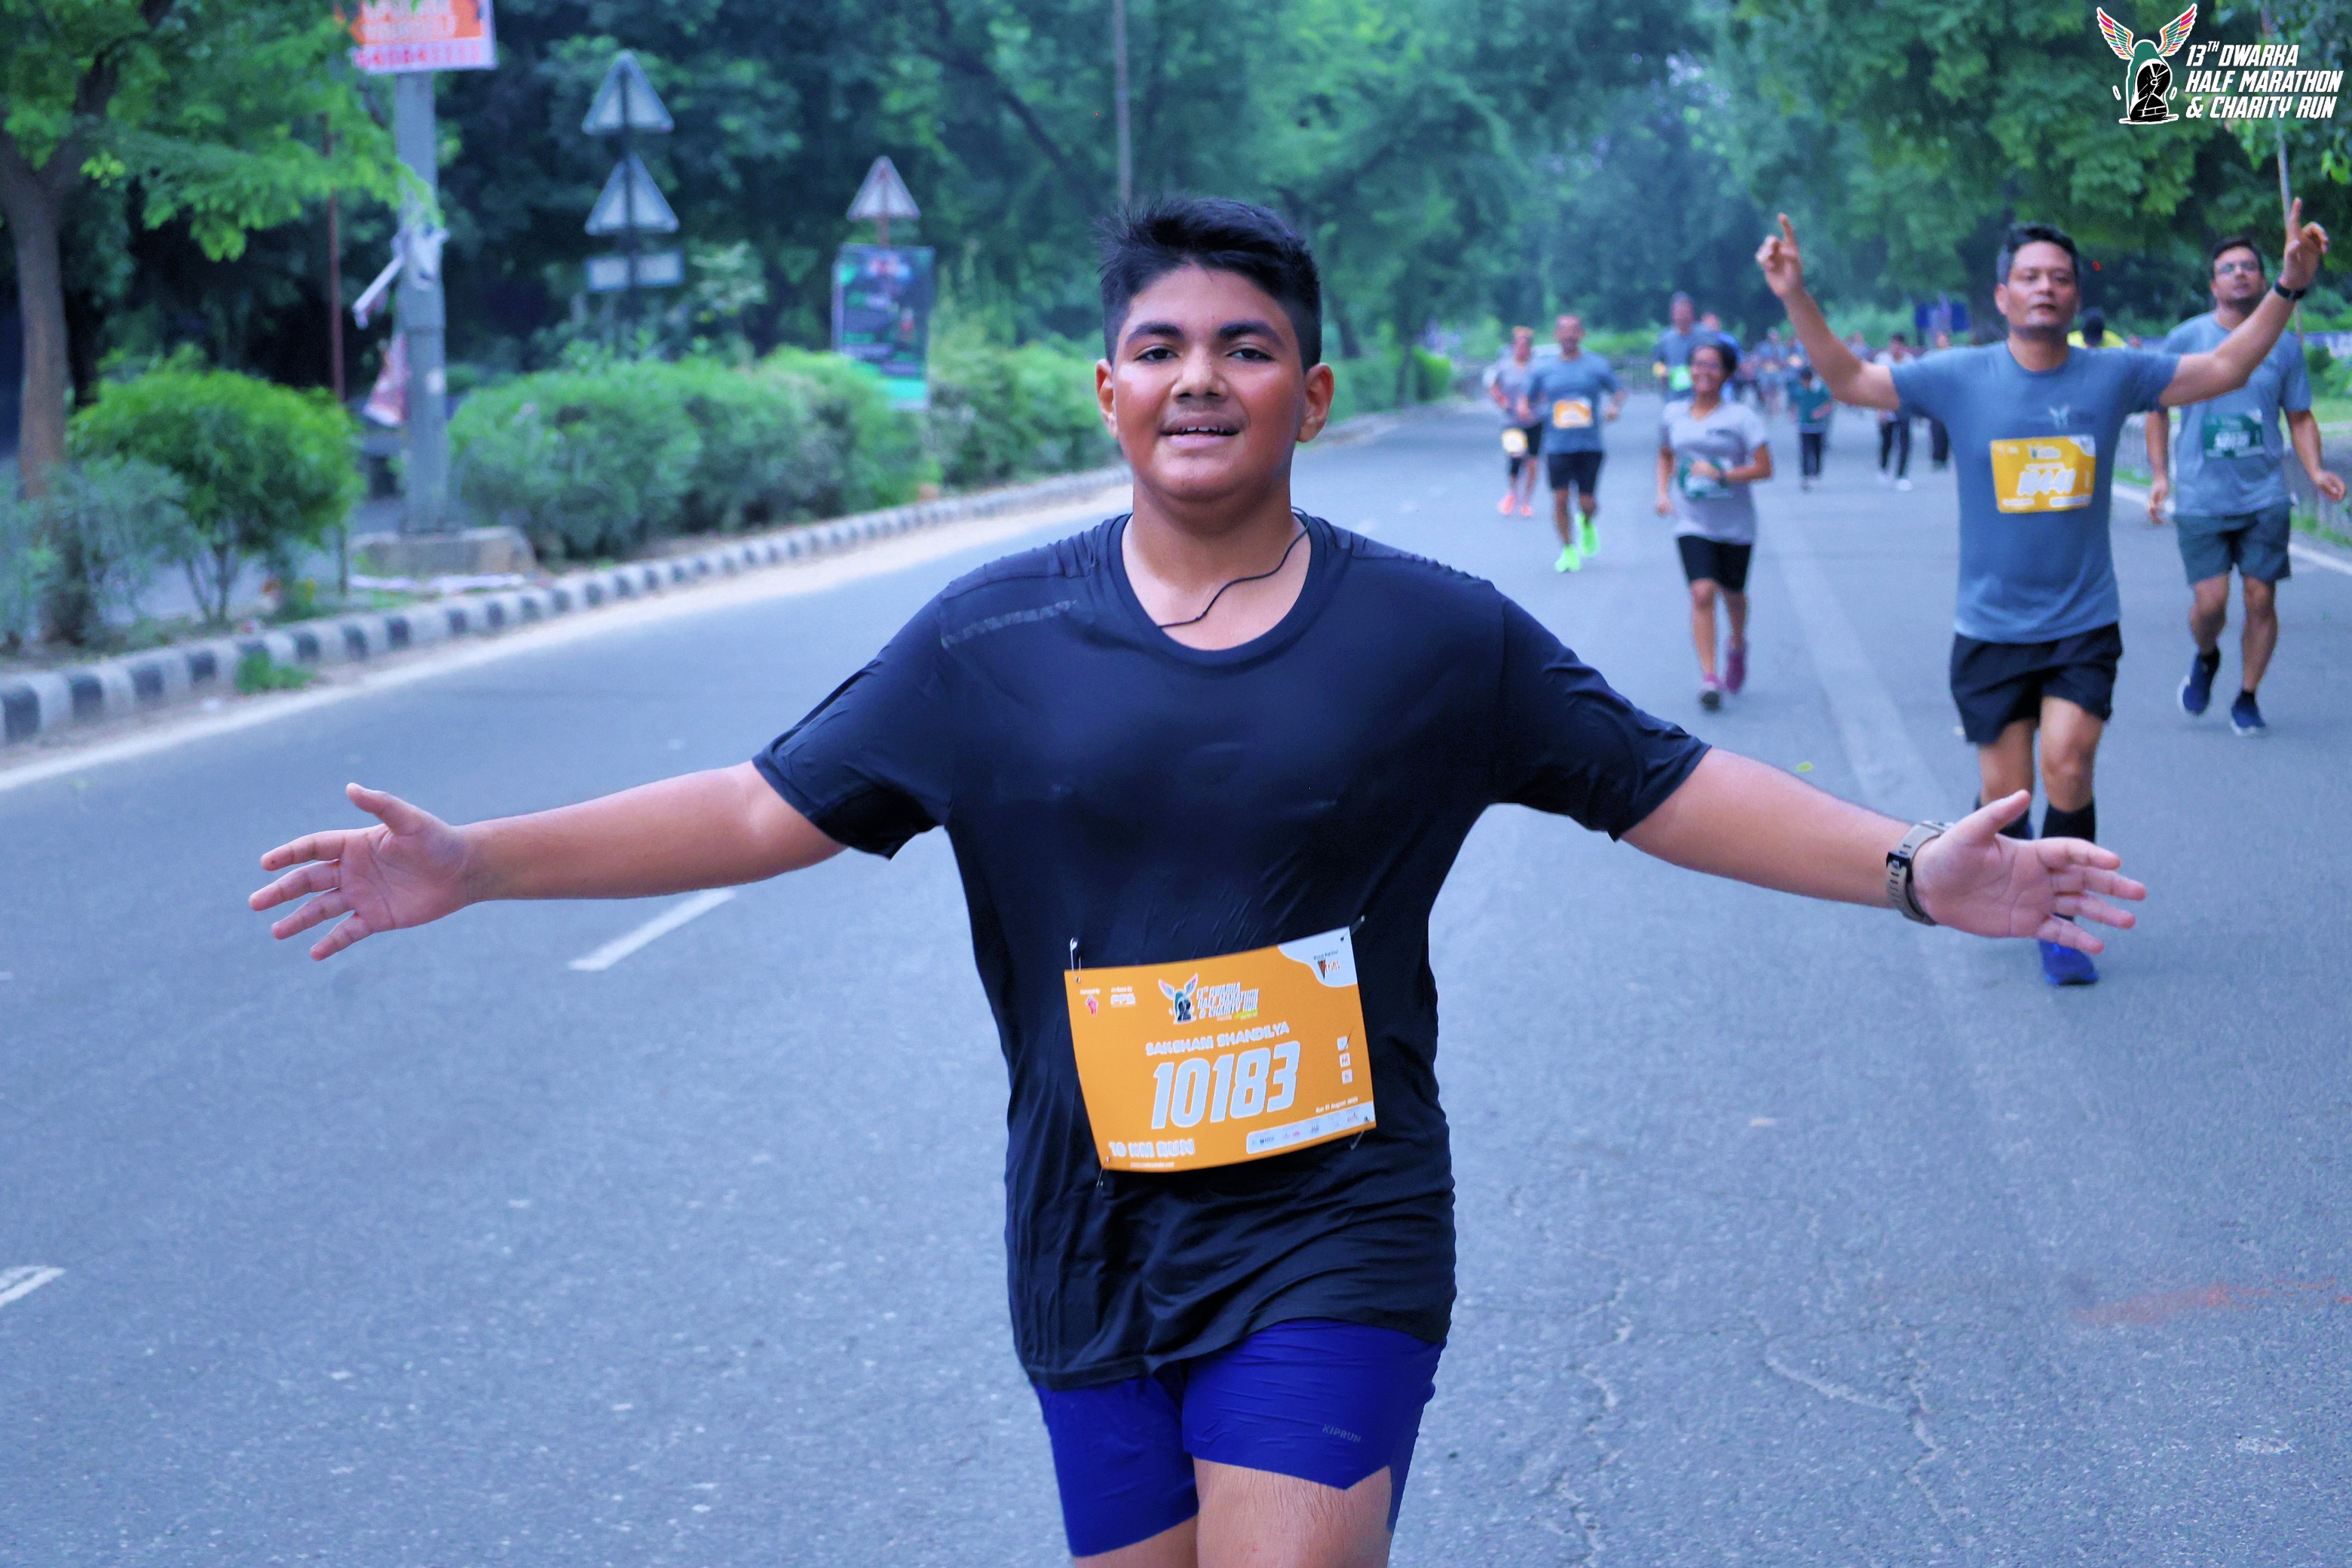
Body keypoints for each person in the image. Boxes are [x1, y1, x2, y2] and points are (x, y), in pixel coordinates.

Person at [253, 198, 2145, 1566]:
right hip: (1088, 1224)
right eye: (1160, 347)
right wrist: (476, 863)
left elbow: (1658, 783)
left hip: (1336, 1209)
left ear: (1309, 393)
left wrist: (1912, 870)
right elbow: (761, 810)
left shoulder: (1435, 638)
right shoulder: (991, 638)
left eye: (1244, 347)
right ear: (1106, 390)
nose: (1199, 377)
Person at [1759, 206, 2325, 986]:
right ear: (2003, 296)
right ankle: (2009, 868)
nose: (2046, 288)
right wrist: (1795, 294)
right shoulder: (1960, 376)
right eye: (2029, 277)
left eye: (2060, 277)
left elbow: (2226, 367)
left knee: (2069, 760)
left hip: (2082, 622)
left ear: (2075, 293)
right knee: (2007, 795)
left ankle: (2060, 919)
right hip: (1990, 629)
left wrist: (2288, 288)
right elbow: (1851, 380)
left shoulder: (2114, 375)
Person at [2146, 233, 2348, 736]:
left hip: (2264, 496)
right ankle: (2206, 656)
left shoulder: (2284, 347)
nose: (2239, 274)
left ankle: (2248, 695)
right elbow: (2156, 409)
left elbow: (2300, 416)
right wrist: (2160, 476)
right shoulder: (2185, 339)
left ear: (2263, 279)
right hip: (2201, 497)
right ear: (2213, 285)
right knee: (2210, 605)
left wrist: (2315, 470)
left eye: (2248, 267)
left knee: (2261, 599)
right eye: (2228, 268)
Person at [1657, 339, 1772, 709]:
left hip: (1735, 523)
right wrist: (1662, 492)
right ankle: (1710, 677)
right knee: (1702, 593)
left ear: (1726, 373)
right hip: (1692, 520)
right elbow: (1665, 455)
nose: (1703, 372)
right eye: (1697, 364)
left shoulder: (1741, 418)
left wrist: (1723, 474)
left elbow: (1765, 468)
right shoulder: (1673, 414)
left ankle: (1737, 645)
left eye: (1712, 365)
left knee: (1734, 596)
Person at [1521, 312, 1623, 571]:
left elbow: (1619, 390)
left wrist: (1614, 407)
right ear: (1556, 335)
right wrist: (1525, 410)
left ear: (1581, 334)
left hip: (1589, 444)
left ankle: (1587, 524)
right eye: (1564, 331)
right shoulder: (1545, 369)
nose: (1569, 335)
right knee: (1560, 499)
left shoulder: (1596, 365)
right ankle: (1568, 550)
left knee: (1587, 502)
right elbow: (1527, 397)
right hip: (1557, 445)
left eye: (1574, 330)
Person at [1484, 325, 1542, 518]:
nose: (1522, 350)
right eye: (1518, 346)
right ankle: (1512, 493)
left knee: (1532, 462)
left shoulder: (1537, 368)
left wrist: (1537, 405)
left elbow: (1546, 390)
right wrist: (1502, 401)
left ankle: (1526, 501)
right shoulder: (1504, 366)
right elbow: (1492, 386)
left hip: (1534, 419)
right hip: (1511, 420)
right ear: (1513, 347)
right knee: (1515, 455)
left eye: (1525, 346)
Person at [1873, 332, 1914, 490]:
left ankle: (1902, 475)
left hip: (1904, 406)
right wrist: (1880, 409)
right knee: (1887, 441)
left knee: (1905, 441)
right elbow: (1877, 386)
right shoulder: (1883, 361)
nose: (1896, 349)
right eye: (1893, 345)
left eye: (1899, 346)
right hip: (1886, 405)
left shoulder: (1910, 362)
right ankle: (1883, 468)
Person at [1653, 292, 1707, 395]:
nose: (1682, 316)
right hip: (1675, 393)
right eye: (1679, 312)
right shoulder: (1664, 338)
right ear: (1672, 314)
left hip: (1700, 392)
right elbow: (1658, 363)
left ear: (1692, 312)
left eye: (1685, 311)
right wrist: (1662, 373)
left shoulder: (1704, 334)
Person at [1791, 360, 1834, 489]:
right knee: (1805, 451)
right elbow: (1794, 403)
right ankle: (1805, 475)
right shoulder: (1799, 390)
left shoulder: (1820, 388)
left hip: (1818, 426)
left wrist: (1820, 412)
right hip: (1804, 426)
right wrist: (1793, 414)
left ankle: (1816, 472)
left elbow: (1829, 403)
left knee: (1817, 450)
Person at [1926, 329, 1954, 470]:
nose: (1942, 342)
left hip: (1950, 399)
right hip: (1936, 398)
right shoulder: (1932, 357)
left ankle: (1944, 457)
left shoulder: (1954, 357)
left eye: (1944, 339)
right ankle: (1937, 457)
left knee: (1948, 429)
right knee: (1936, 429)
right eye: (1940, 340)